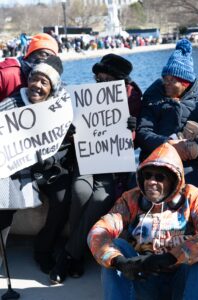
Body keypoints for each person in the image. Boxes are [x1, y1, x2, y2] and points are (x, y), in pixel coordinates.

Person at [87, 142, 198, 300]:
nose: (151, 181)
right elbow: (98, 231)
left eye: (159, 177)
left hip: (180, 278)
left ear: (174, 180)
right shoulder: (131, 198)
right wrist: (119, 262)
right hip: (143, 277)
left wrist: (173, 256)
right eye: (147, 175)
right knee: (116, 247)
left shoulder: (192, 196)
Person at [49, 53, 142, 284]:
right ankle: (76, 253)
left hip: (110, 164)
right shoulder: (86, 95)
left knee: (103, 197)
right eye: (98, 78)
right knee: (80, 191)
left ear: (119, 80)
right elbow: (69, 128)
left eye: (106, 78)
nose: (100, 83)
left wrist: (132, 128)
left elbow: (135, 140)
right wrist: (71, 131)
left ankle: (70, 254)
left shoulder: (133, 98)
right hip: (85, 158)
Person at [0, 55, 73, 274]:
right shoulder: (11, 104)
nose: (37, 86)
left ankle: (43, 249)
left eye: (44, 82)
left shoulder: (61, 107)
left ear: (52, 88)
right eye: (35, 79)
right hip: (17, 171)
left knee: (63, 197)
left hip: (48, 169)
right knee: (5, 201)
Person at [136, 38, 198, 202]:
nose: (166, 83)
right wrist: (168, 144)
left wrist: (195, 149)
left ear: (185, 82)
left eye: (171, 80)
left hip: (191, 166)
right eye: (165, 79)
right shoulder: (152, 98)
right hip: (156, 163)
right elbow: (143, 133)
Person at [0, 32, 59, 102]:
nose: (46, 60)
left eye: (51, 58)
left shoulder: (52, 81)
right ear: (30, 54)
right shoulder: (6, 74)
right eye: (43, 54)